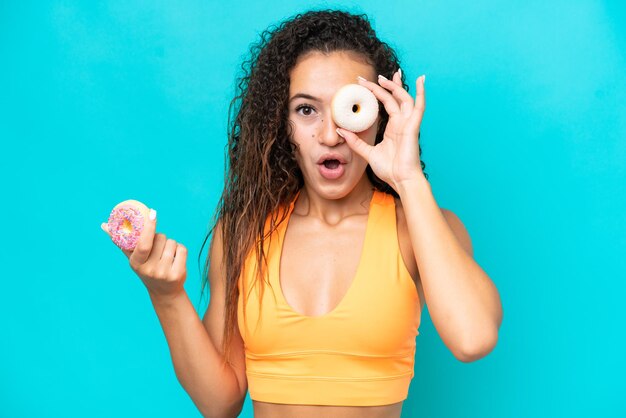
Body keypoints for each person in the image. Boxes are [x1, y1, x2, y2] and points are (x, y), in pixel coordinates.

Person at [102, 9, 503, 418]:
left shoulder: (419, 227)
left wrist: (409, 179)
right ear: (282, 122)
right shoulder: (244, 231)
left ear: (381, 116)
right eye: (306, 110)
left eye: (352, 108)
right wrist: (166, 295)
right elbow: (219, 402)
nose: (330, 136)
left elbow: (473, 338)